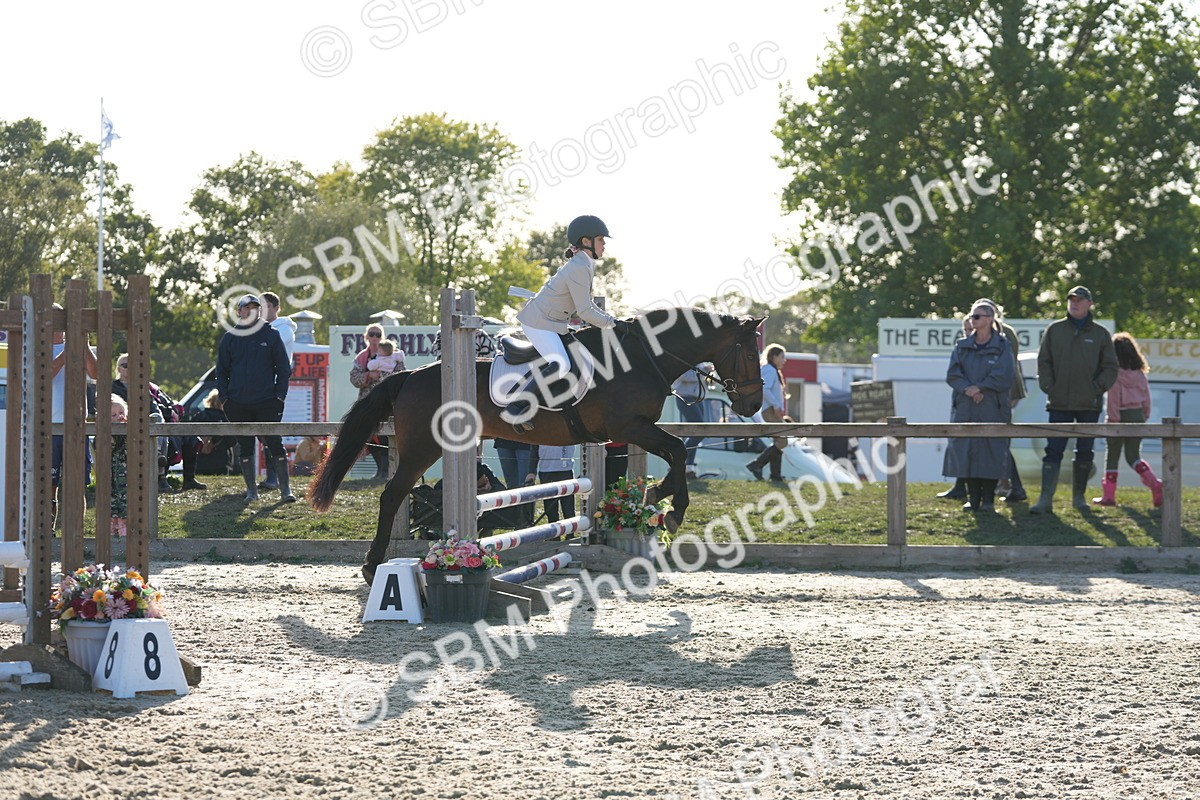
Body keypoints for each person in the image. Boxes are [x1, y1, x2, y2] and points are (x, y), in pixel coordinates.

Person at [507, 215, 631, 434]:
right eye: (601, 239)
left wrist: (611, 321)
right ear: (586, 241)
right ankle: (518, 406)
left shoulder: (584, 263)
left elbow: (586, 307)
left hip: (553, 323)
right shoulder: (579, 267)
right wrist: (613, 323)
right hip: (539, 323)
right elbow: (585, 311)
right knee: (561, 364)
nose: (604, 244)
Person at [1030, 286, 1119, 513]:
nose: (1074, 303)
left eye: (1079, 300)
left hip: (1089, 404)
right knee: (1053, 451)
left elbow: (1110, 367)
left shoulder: (1100, 334)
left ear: (1090, 304)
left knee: (1085, 451)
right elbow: (1044, 362)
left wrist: (1096, 389)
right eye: (1071, 300)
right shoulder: (1055, 330)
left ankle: (1079, 499)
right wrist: (1049, 386)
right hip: (1059, 403)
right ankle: (1045, 500)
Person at [937, 299, 1028, 502]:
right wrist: (969, 390)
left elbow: (1007, 370)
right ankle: (966, 490)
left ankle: (1009, 489)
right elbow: (955, 372)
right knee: (967, 445)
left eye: (976, 317)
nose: (971, 322)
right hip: (969, 400)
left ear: (990, 317)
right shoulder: (963, 345)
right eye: (970, 318)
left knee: (995, 445)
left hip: (999, 396)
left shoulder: (1005, 337)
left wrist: (981, 388)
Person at [216, 294, 294, 503]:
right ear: (239, 312)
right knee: (245, 446)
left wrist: (279, 396)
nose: (251, 310)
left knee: (275, 443)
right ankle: (252, 491)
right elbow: (221, 372)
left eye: (255, 307)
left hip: (267, 401)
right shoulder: (230, 337)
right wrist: (225, 399)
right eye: (246, 307)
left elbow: (284, 369)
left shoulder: (272, 334)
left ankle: (285, 490)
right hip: (238, 403)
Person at [1094, 333, 1162, 507]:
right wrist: (1144, 416)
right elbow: (1147, 399)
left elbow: (1113, 400)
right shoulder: (1140, 374)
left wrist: (1113, 420)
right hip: (1137, 415)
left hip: (1120, 416)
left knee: (1112, 456)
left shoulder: (1115, 374)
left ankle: (1109, 496)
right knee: (1133, 456)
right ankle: (1154, 482)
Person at [50, 311, 97, 526]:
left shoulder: (78, 347)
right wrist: (64, 356)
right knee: (47, 486)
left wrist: (84, 344)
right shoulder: (34, 346)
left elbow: (96, 373)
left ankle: (76, 533)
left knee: (77, 486)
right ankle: (47, 532)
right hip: (48, 428)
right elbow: (42, 375)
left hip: (76, 427)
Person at [349, 323, 401, 480]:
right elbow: (353, 378)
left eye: (378, 334)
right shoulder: (361, 358)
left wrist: (382, 377)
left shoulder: (394, 355)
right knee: (369, 435)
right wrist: (368, 376)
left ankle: (387, 470)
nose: (374, 338)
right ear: (366, 337)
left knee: (386, 434)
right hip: (368, 401)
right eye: (371, 334)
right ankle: (380, 470)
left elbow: (400, 375)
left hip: (388, 403)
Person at [257, 292, 297, 490]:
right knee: (263, 432)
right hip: (261, 386)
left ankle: (275, 478)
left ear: (276, 308)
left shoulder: (283, 331)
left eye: (266, 306)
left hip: (273, 387)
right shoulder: (263, 329)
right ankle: (272, 477)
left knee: (270, 431)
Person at [745, 344, 790, 483]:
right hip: (769, 410)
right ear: (774, 356)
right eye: (782, 357)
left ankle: (775, 475)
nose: (784, 360)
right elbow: (765, 390)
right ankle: (756, 464)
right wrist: (776, 406)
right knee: (783, 441)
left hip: (770, 410)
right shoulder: (769, 370)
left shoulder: (770, 369)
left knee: (778, 441)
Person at [672, 363, 712, 479]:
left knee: (695, 433)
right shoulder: (685, 357)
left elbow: (706, 380)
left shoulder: (700, 360)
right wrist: (703, 370)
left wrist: (708, 372)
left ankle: (688, 468)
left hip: (698, 397)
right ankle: (677, 462)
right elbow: (685, 376)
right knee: (699, 431)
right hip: (685, 397)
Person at [529, 444, 577, 523]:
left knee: (568, 508)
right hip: (546, 472)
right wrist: (531, 471)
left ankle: (570, 534)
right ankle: (554, 534)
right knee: (550, 509)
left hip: (565, 471)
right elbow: (534, 450)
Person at [109, 394, 129, 537]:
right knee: (111, 510)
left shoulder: (130, 433)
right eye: (114, 415)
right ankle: (112, 537)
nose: (119, 417)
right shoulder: (105, 435)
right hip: (110, 480)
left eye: (121, 413)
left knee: (125, 510)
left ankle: (124, 539)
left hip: (126, 480)